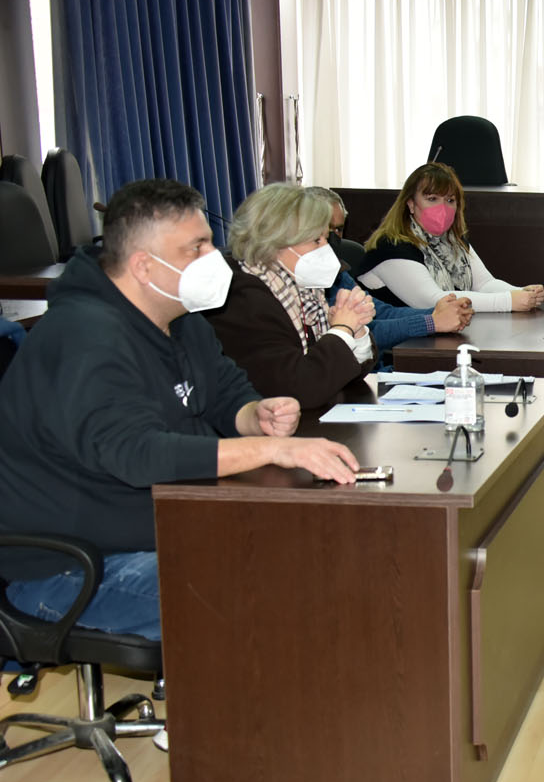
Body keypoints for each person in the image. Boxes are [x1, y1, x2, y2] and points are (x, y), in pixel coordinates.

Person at [0, 179, 359, 642]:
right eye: (197, 247)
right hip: (71, 567)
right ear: (144, 266)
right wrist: (271, 450)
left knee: (319, 553)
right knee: (271, 596)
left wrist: (254, 414)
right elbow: (138, 454)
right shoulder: (83, 337)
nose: (215, 257)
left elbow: (225, 391)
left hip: (168, 524)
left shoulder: (179, 317)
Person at [206, 183, 376, 410]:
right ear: (274, 241)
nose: (327, 248)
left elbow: (345, 375)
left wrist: (356, 329)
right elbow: (298, 390)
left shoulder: (305, 291)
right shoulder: (242, 298)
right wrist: (342, 330)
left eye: (326, 238)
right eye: (317, 240)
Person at [306, 186, 473, 358]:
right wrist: (431, 322)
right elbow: (367, 332)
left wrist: (438, 311)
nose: (332, 238)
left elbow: (382, 312)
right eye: (326, 230)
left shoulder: (336, 272)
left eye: (338, 230)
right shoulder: (302, 281)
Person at [358, 161, 544, 312]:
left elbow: (484, 284)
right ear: (411, 204)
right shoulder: (391, 245)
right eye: (432, 199)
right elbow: (434, 301)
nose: (442, 208)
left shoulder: (452, 240)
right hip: (394, 344)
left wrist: (523, 292)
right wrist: (508, 301)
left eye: (450, 200)